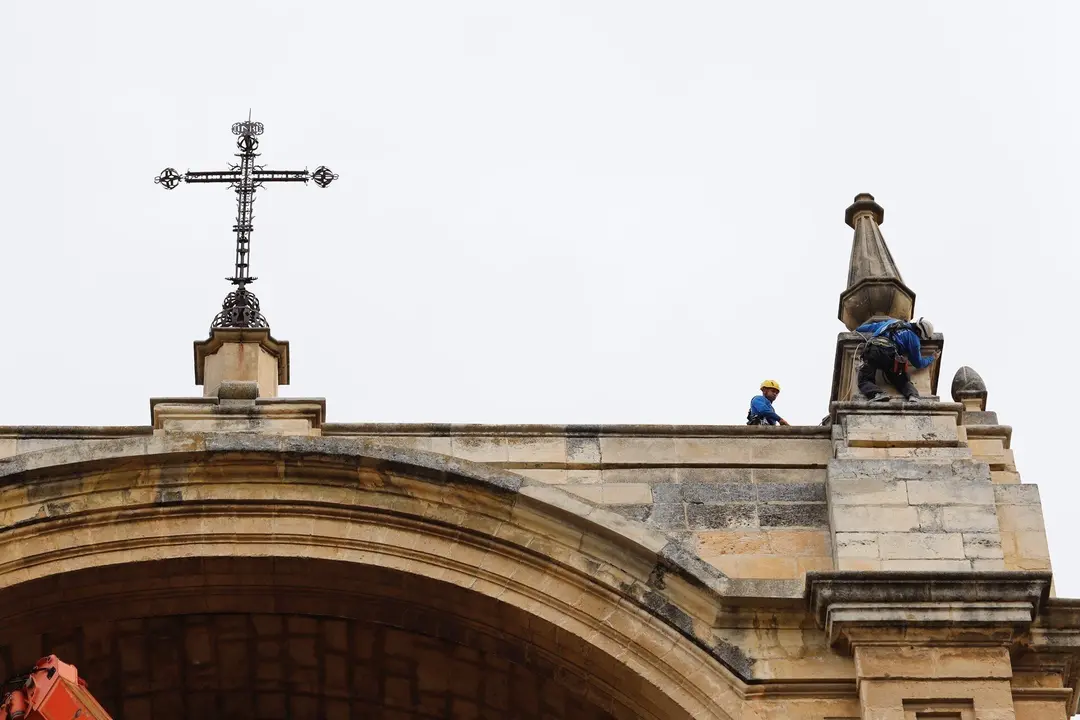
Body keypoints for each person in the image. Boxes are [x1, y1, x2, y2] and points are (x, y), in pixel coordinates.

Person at [855, 317, 936, 402]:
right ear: (920, 333)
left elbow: (870, 327)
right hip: (890, 354)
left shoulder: (892, 322)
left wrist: (857, 330)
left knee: (864, 378)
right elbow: (918, 363)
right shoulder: (913, 339)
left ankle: (876, 394)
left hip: (873, 350)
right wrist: (932, 357)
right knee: (901, 379)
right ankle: (913, 395)